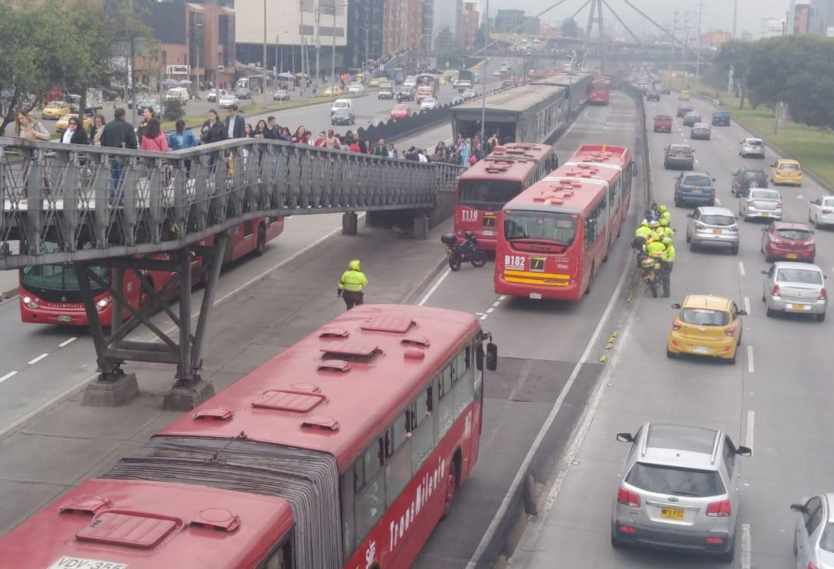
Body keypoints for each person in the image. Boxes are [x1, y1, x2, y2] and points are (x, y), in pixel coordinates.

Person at [100, 108, 138, 197]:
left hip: (110, 155)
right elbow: (133, 142)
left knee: (114, 176)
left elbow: (103, 141)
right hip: (123, 156)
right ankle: (119, 197)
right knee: (122, 176)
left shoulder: (108, 126)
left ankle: (113, 196)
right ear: (123, 115)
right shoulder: (128, 126)